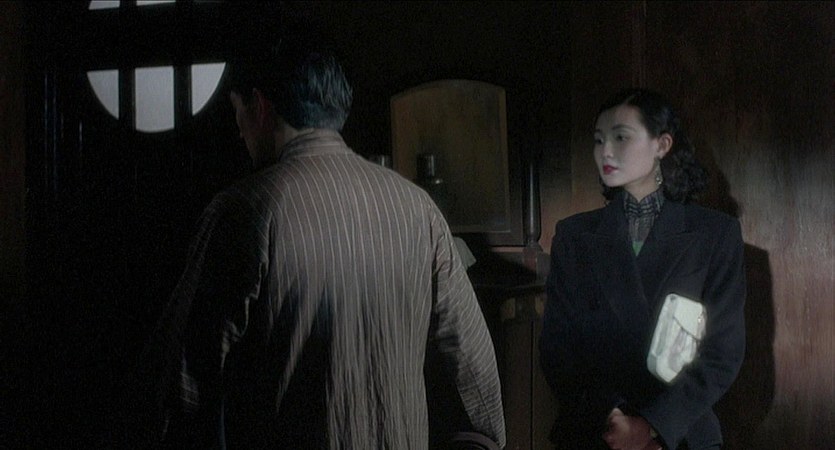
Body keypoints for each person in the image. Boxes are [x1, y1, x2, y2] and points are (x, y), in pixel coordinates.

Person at [140, 40, 506, 449]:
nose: (239, 131)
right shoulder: (419, 210)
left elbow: (178, 381)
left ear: (259, 106)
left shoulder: (245, 210)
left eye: (237, 112)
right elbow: (476, 373)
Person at [539, 89, 745, 450]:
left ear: (662, 144)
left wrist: (651, 426)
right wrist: (614, 419)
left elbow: (722, 353)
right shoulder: (574, 235)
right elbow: (558, 350)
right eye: (599, 139)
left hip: (681, 433)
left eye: (621, 137)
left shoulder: (715, 234)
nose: (606, 151)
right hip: (597, 431)